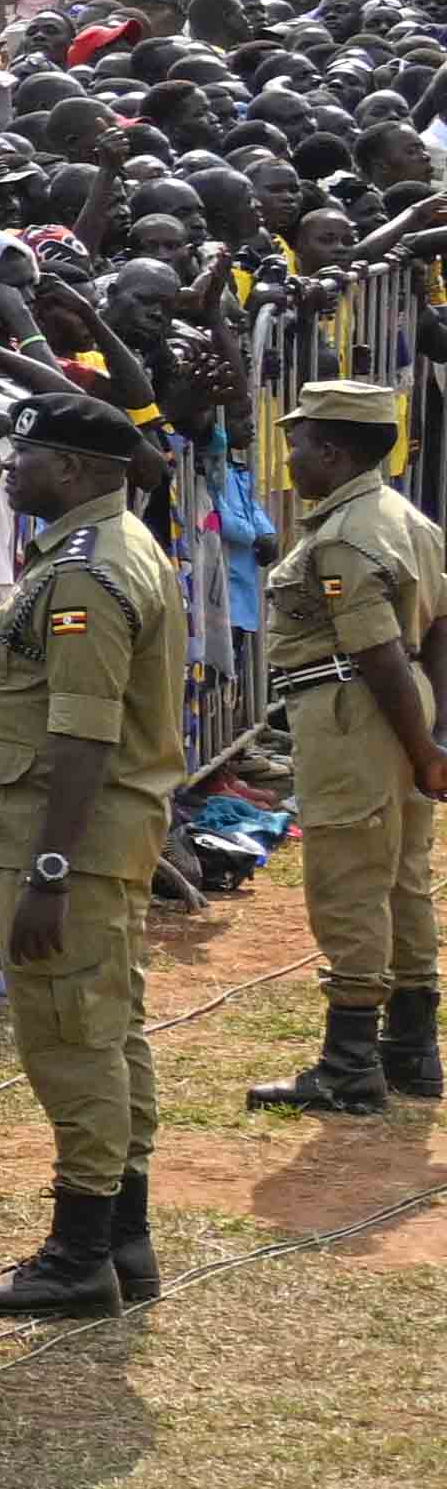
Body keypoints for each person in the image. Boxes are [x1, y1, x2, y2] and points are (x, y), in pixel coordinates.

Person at [0, 396, 193, 1325]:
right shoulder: (105, 548)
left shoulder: (88, 574)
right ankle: (120, 1237)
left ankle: (80, 1254)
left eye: (31, 456)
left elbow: (83, 732)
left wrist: (51, 871)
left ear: (83, 469)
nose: (12, 470)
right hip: (90, 836)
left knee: (71, 1040)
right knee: (107, 1027)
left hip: (70, 844)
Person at [245, 369, 445, 1125]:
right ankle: (412, 1050)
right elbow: (440, 629)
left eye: (296, 441)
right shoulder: (407, 519)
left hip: (356, 707)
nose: (289, 455)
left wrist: (424, 747)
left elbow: (379, 649)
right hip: (396, 707)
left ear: (332, 451)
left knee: (350, 875)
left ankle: (350, 1066)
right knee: (401, 874)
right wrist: (432, 736)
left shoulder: (349, 535)